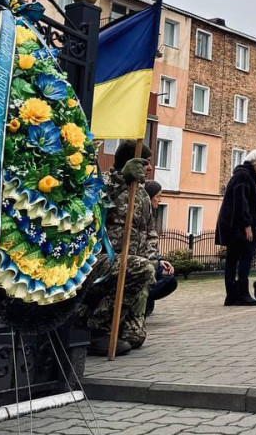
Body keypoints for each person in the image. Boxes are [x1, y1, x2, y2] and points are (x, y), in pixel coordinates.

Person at [85, 140, 161, 355]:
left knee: (134, 338)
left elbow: (149, 232)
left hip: (132, 268)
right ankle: (96, 328)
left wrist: (153, 258)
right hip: (103, 261)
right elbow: (95, 206)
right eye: (145, 162)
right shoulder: (106, 183)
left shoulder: (143, 194)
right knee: (141, 268)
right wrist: (122, 180)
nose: (149, 167)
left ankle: (110, 322)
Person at [215, 149, 256, 307]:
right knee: (244, 258)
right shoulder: (244, 175)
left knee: (233, 260)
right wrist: (247, 224)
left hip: (236, 226)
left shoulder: (246, 175)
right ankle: (241, 294)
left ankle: (232, 295)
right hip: (238, 227)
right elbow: (241, 201)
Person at [143, 180, 177, 316]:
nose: (159, 200)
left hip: (150, 259)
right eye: (157, 196)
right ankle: (141, 301)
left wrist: (160, 259)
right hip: (141, 260)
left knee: (169, 278)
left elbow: (151, 244)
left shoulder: (150, 215)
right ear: (149, 197)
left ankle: (146, 301)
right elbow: (142, 244)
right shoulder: (142, 215)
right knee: (164, 277)